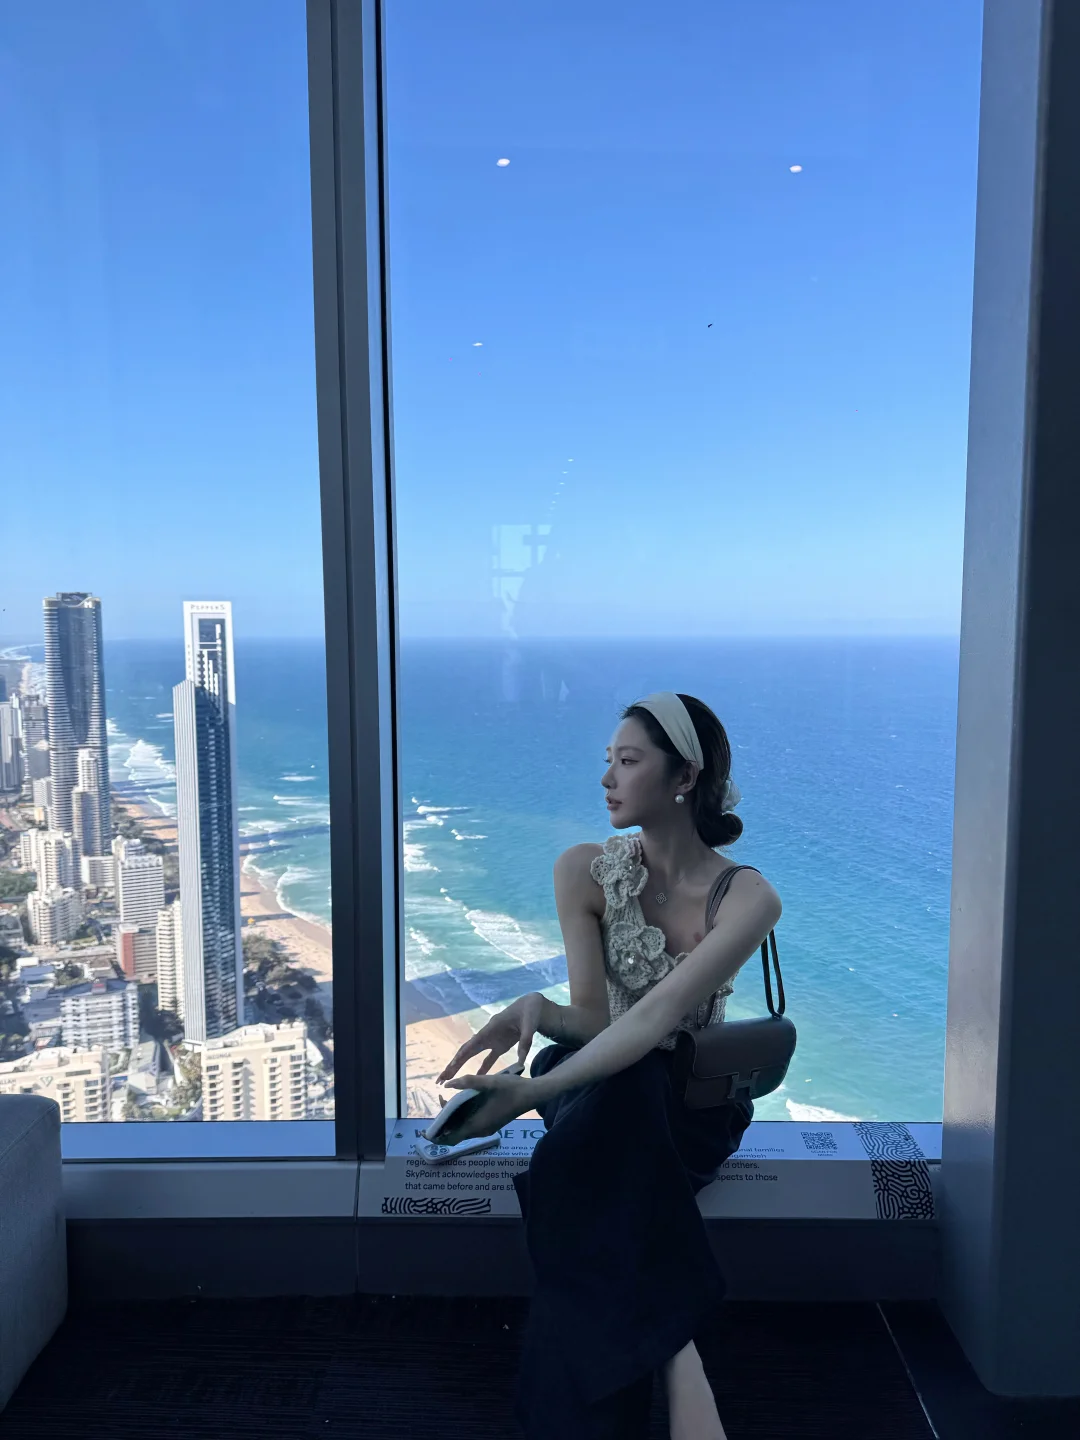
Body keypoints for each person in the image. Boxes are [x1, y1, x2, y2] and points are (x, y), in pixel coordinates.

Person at [435, 691, 781, 1439]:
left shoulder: (748, 896)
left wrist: (530, 1091)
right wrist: (537, 1006)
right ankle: (678, 1354)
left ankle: (652, 1365)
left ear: (683, 777)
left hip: (686, 1103)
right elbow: (595, 1020)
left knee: (583, 1151)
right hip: (598, 1079)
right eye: (608, 760)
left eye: (628, 761)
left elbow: (657, 1021)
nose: (607, 779)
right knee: (615, 1100)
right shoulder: (584, 871)